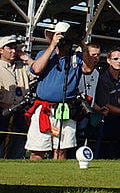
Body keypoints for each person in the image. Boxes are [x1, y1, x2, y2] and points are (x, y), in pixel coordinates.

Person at [26, 22, 83, 159]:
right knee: (37, 149)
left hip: (65, 108)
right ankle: (34, 179)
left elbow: (88, 69)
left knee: (62, 149)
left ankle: (57, 178)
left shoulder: (76, 57)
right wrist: (53, 45)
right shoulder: (44, 54)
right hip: (44, 108)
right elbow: (36, 69)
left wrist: (81, 43)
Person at [0, 34, 35, 158]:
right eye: (9, 48)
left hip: (21, 113)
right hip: (3, 112)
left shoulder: (22, 67)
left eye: (15, 48)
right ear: (1, 50)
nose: (13, 51)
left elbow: (38, 71)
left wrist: (26, 58)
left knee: (19, 146)